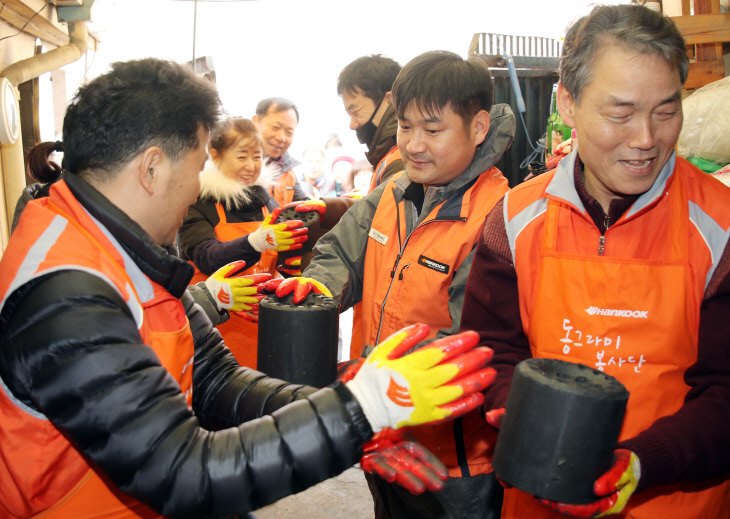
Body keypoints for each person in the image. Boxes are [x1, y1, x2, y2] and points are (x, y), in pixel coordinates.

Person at [0, 57, 498, 519]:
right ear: (151, 168)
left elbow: (214, 378)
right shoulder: (68, 290)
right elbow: (182, 472)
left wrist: (349, 417)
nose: (197, 188)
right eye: (197, 167)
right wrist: (359, 410)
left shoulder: (119, 250)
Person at [461, 5, 730, 518]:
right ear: (567, 102)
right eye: (620, 113)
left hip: (671, 502)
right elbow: (492, 351)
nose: (646, 139)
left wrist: (639, 462)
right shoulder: (517, 217)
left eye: (667, 110)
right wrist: (525, 420)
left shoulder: (721, 226)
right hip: (539, 500)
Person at [269, 50, 516, 519]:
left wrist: (366, 386)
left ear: (479, 127)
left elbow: (474, 341)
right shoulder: (392, 193)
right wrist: (319, 289)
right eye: (405, 126)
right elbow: (340, 254)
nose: (414, 145)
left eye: (433, 129)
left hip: (452, 461)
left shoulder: (498, 218)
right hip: (379, 435)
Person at [12, 140, 255, 328]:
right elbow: (120, 328)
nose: (193, 192)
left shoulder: (124, 223)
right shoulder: (63, 246)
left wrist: (207, 298)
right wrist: (208, 298)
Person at [177, 117, 307, 368]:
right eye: (241, 156)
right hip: (215, 329)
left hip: (262, 328)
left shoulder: (266, 201)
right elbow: (207, 256)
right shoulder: (198, 201)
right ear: (215, 156)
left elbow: (279, 260)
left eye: (257, 157)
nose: (251, 166)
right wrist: (255, 242)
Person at [338, 54, 403, 192]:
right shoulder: (387, 155)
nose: (352, 125)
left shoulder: (400, 162)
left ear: (390, 101)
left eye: (356, 112)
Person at [252, 97, 309, 206]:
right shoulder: (236, 165)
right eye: (275, 127)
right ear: (255, 122)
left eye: (289, 132)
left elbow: (302, 204)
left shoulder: (287, 170)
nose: (281, 138)